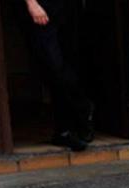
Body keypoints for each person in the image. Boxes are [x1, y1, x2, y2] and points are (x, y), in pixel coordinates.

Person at [23, 0, 94, 151]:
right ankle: (82, 108)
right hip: (41, 9)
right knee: (53, 67)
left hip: (67, 8)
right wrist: (32, 4)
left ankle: (63, 130)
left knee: (71, 64)